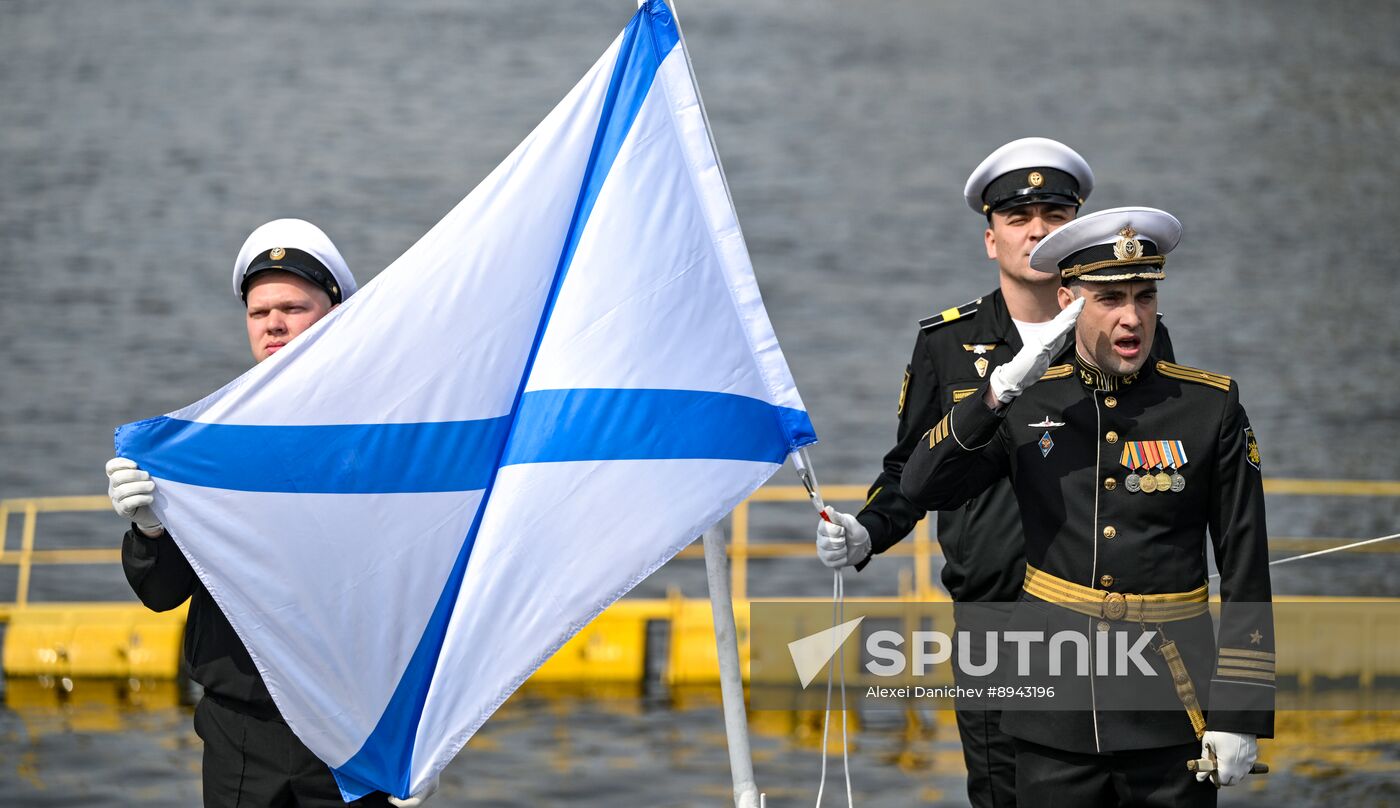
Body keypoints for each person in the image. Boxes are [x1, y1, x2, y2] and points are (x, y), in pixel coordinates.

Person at [814, 137, 1175, 808]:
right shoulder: (947, 343)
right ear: (991, 239)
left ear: (1079, 228)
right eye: (1018, 217)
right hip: (997, 621)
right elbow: (909, 470)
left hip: (1107, 618)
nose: (1037, 228)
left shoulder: (1126, 329)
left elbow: (1161, 463)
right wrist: (866, 533)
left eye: (1055, 213)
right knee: (1004, 794)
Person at [898, 207, 1274, 806]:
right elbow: (919, 485)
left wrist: (1241, 712)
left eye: (1144, 297)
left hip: (1171, 711)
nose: (1132, 317)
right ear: (1069, 301)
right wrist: (997, 391)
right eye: (1110, 299)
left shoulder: (1210, 407)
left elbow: (1246, 566)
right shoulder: (1027, 402)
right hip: (1053, 716)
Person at [105, 219, 436, 807]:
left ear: (335, 312)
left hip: (353, 732)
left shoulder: (385, 440)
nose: (274, 325)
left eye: (292, 307)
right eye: (260, 314)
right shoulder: (211, 443)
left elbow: (426, 588)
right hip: (241, 737)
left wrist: (427, 737)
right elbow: (162, 594)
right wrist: (150, 528)